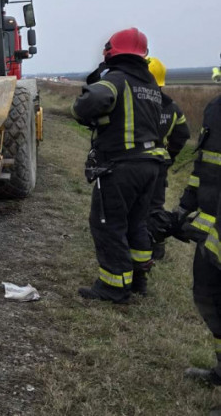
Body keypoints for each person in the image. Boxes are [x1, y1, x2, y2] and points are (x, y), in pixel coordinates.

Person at [71, 27, 165, 303]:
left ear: (112, 51)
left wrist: (81, 112)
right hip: (150, 166)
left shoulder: (115, 80)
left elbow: (89, 102)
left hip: (121, 166)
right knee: (136, 222)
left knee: (107, 223)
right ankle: (138, 280)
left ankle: (114, 286)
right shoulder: (150, 86)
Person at [180, 65, 221, 385]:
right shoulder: (215, 109)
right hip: (211, 230)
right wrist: (187, 203)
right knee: (207, 295)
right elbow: (204, 165)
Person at [146, 56, 190, 261]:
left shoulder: (139, 103)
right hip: (160, 164)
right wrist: (169, 156)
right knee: (155, 207)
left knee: (132, 205)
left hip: (135, 162)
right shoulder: (172, 107)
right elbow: (182, 134)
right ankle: (157, 246)